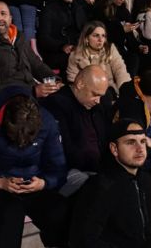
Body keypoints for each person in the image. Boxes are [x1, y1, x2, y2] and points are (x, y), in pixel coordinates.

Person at [0, 89, 69, 248]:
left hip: (32, 188)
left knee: (61, 209)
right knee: (12, 212)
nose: (22, 143)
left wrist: (43, 183)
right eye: (14, 137)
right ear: (4, 123)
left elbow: (59, 170)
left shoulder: (47, 121)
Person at [69, 119, 151, 247]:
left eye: (143, 141)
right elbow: (83, 240)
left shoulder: (146, 181)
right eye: (131, 142)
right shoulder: (100, 186)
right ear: (114, 148)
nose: (140, 149)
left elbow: (150, 233)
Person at [42, 65, 111, 197]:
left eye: (101, 96)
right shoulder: (56, 104)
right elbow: (66, 153)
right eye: (95, 94)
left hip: (96, 170)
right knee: (101, 189)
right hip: (68, 173)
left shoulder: (97, 106)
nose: (98, 101)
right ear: (80, 84)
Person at [0, 1, 61, 96]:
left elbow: (37, 65)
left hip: (31, 92)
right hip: (14, 100)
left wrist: (56, 80)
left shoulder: (19, 37)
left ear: (10, 19)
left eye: (3, 13)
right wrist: (32, 92)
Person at [37, 0, 88, 75]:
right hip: (56, 53)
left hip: (77, 50)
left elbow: (85, 31)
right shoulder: (49, 9)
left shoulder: (78, 8)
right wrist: (62, 46)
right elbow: (43, 38)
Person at [65, 21, 132, 96]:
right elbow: (73, 83)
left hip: (111, 91)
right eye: (96, 35)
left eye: (103, 36)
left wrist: (125, 92)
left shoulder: (110, 49)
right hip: (88, 95)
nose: (100, 39)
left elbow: (120, 70)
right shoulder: (76, 55)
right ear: (86, 38)